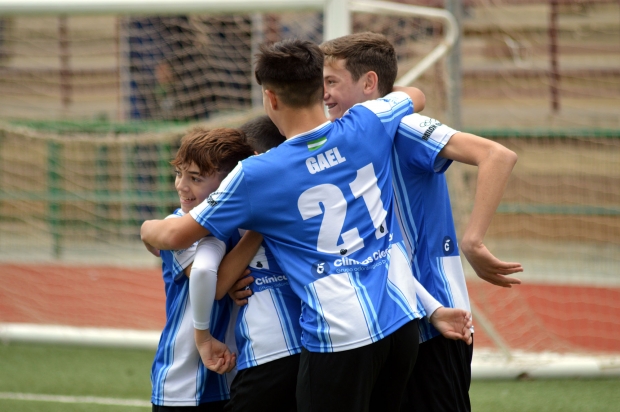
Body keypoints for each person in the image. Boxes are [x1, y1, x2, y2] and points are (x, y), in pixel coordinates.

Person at [142, 39, 472, 412]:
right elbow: (415, 94)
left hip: (339, 334)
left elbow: (174, 235)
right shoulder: (367, 122)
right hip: (401, 326)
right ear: (321, 88)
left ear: (271, 98)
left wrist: (145, 229)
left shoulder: (258, 173)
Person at [320, 32, 523, 412]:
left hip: (436, 321)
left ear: (369, 83)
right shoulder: (340, 141)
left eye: (332, 82)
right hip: (385, 317)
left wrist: (473, 241)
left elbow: (497, 156)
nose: (325, 94)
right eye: (322, 83)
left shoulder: (406, 129)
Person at [150, 126, 254, 411]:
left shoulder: (242, 225)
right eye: (179, 174)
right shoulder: (178, 227)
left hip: (233, 374)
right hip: (182, 382)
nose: (181, 186)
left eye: (195, 178)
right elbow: (215, 283)